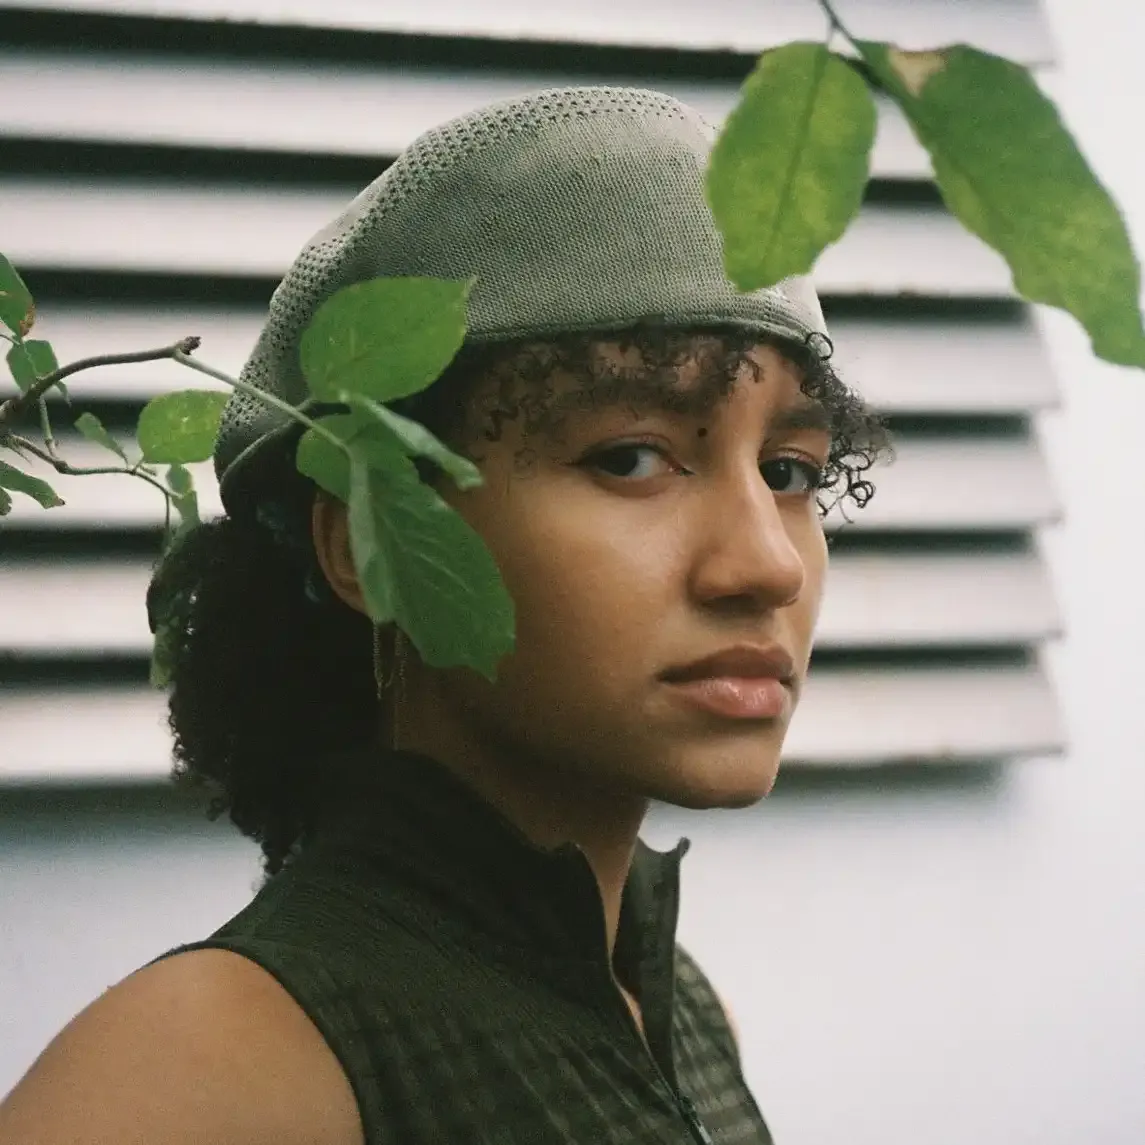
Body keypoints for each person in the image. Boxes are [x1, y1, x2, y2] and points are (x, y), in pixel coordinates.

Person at [0, 85, 886, 1144]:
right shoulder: (217, 1064)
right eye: (628, 457)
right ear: (367, 545)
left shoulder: (683, 1015)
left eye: (788, 471)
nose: (766, 565)